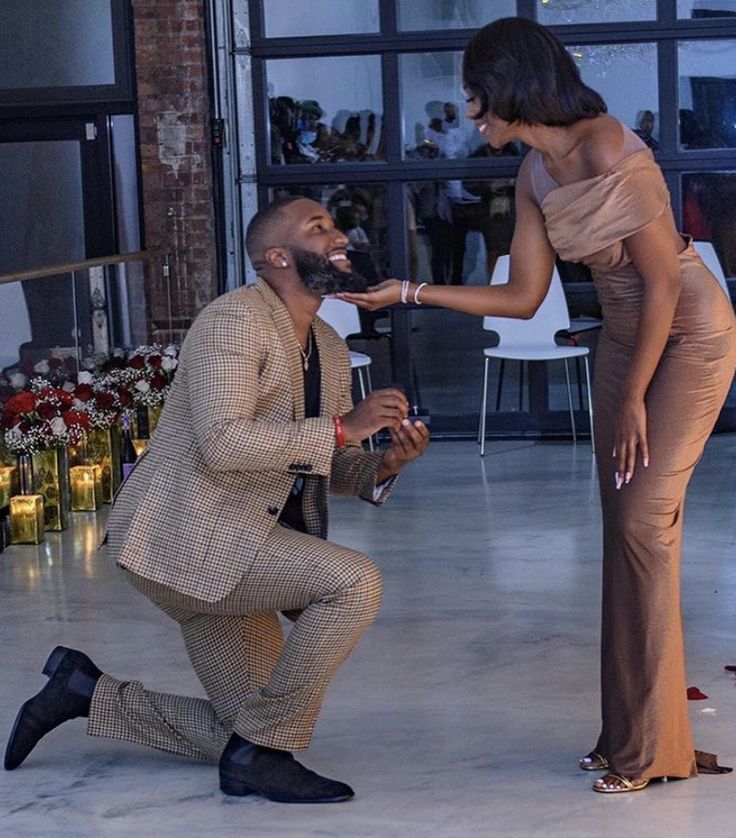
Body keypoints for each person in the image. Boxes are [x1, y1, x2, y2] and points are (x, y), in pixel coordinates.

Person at [339, 17, 736, 794]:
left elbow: (661, 284)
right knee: (624, 529)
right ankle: (634, 733)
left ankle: (650, 749)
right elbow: (524, 298)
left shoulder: (610, 148)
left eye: (475, 96)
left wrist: (628, 408)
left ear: (512, 87)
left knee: (643, 524)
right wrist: (409, 291)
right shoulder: (533, 173)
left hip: (688, 333)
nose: (469, 112)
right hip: (626, 336)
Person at [4, 196, 429, 804]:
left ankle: (83, 691)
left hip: (243, 545)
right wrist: (342, 427)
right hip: (187, 539)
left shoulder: (329, 348)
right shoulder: (234, 322)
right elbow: (225, 444)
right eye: (319, 228)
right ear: (277, 257)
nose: (338, 236)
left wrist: (384, 463)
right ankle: (257, 758)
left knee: (245, 724)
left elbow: (315, 460)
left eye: (334, 224)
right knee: (354, 582)